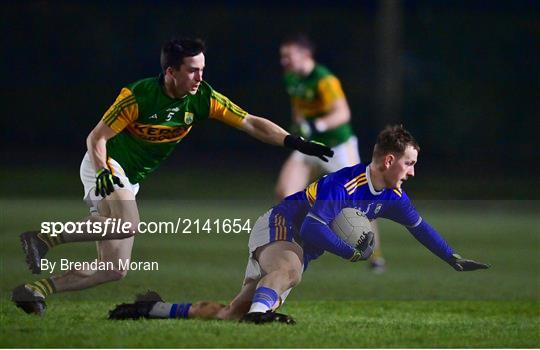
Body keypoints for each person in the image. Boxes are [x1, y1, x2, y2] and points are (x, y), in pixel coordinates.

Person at [11, 38, 333, 316]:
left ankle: (34, 290)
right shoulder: (139, 95)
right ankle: (42, 239)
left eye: (202, 69)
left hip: (129, 178)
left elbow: (249, 122)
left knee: (113, 269)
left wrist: (294, 141)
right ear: (170, 71)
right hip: (107, 165)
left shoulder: (202, 97)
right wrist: (103, 171)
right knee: (129, 223)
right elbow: (96, 139)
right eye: (192, 70)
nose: (199, 77)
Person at [108, 125, 490, 324]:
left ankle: (151, 310)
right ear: (388, 160)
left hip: (295, 246)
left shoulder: (391, 197)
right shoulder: (343, 183)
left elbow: (420, 227)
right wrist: (348, 251)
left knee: (231, 312)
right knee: (290, 269)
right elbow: (309, 230)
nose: (413, 171)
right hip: (280, 228)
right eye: (409, 163)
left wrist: (452, 257)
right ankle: (262, 318)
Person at [275, 34, 386, 272]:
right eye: (282, 56)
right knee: (285, 192)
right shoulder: (292, 77)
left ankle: (374, 254)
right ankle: (295, 248)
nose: (283, 60)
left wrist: (317, 126)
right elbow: (298, 107)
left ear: (305, 55)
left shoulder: (324, 79)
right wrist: (301, 128)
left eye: (288, 55)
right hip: (310, 145)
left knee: (360, 202)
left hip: (337, 147)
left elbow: (343, 114)